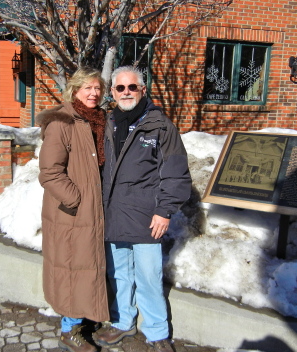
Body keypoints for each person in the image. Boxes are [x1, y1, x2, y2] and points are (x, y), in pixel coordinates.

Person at [93, 66, 192, 352]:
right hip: (112, 214)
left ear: (143, 90)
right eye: (120, 88)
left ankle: (157, 332)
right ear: (112, 93)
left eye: (132, 87)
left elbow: (176, 172)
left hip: (146, 217)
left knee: (148, 278)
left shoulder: (161, 126)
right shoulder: (106, 124)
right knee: (119, 274)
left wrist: (164, 210)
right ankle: (123, 322)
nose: (126, 93)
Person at [37, 67, 109, 352]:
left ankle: (84, 318)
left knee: (87, 268)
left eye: (98, 88)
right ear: (75, 90)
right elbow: (50, 172)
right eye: (87, 88)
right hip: (73, 213)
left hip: (95, 210)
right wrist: (77, 200)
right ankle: (69, 330)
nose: (94, 93)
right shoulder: (63, 122)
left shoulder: (99, 120)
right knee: (72, 269)